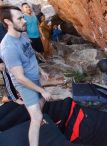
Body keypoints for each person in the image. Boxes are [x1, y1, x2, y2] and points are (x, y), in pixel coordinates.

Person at [0, 5, 63, 146]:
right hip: (25, 84)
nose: (25, 20)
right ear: (8, 22)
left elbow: (30, 55)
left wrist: (41, 71)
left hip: (34, 78)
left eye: (23, 16)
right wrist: (41, 90)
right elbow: (20, 78)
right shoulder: (8, 48)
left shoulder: (22, 35)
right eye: (20, 18)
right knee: (36, 117)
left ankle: (40, 121)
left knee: (41, 102)